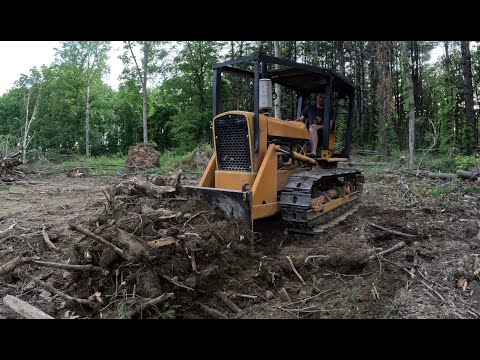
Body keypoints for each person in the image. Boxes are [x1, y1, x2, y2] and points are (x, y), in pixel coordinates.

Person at [292, 91, 335, 157]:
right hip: (307, 133)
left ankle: (313, 152)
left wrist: (319, 126)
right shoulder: (309, 108)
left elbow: (329, 126)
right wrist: (290, 122)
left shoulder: (330, 111)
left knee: (312, 128)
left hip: (322, 136)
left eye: (323, 98)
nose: (321, 99)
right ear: (317, 97)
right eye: (320, 97)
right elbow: (300, 120)